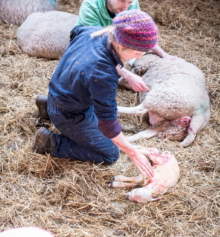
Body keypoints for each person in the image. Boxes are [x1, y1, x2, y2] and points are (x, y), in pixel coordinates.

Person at [33, 10, 157, 178]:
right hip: (70, 113)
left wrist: (126, 74)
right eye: (137, 53)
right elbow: (108, 124)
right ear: (123, 45)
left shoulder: (92, 31)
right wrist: (133, 152)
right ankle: (50, 142)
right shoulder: (103, 74)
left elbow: (74, 33)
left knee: (88, 98)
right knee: (110, 153)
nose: (140, 58)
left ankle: (47, 106)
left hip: (59, 92)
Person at [76, 0, 178, 62]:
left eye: (129, 2)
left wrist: (163, 54)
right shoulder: (90, 6)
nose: (125, 7)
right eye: (122, 1)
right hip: (90, 40)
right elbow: (97, 43)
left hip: (115, 39)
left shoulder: (132, 3)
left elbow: (140, 33)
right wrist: (127, 75)